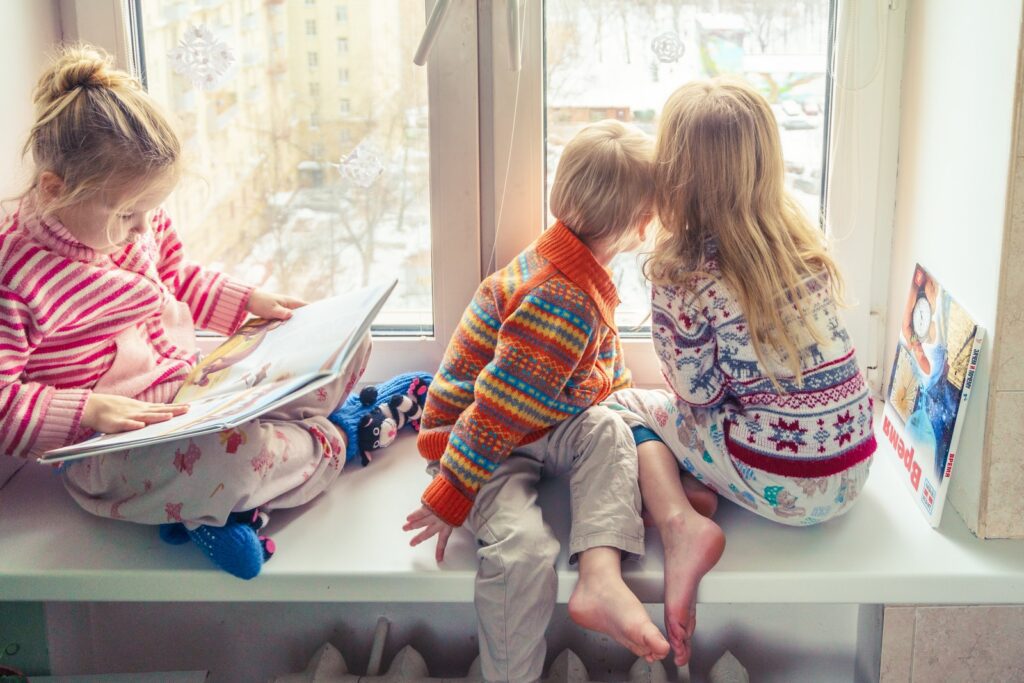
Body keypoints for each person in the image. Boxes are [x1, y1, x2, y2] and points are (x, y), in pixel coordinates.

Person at [0, 45, 381, 579]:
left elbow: (178, 277)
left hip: (191, 391)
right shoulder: (16, 277)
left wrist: (251, 304)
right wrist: (92, 411)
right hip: (112, 449)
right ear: (54, 190)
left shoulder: (134, 222)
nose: (142, 229)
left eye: (149, 212)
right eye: (129, 213)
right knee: (237, 456)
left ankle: (241, 486)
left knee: (345, 343)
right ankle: (335, 439)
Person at [606, 78, 877, 666]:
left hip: (783, 480)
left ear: (671, 172)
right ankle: (702, 487)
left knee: (620, 404)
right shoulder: (796, 244)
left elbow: (693, 390)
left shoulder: (684, 271)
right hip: (854, 467)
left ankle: (681, 522)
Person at [402, 120, 671, 681]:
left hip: (535, 423)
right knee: (521, 552)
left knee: (608, 428)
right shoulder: (560, 298)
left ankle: (602, 575)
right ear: (642, 224)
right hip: (477, 445)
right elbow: (497, 409)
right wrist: (453, 489)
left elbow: (592, 370)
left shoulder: (574, 263)